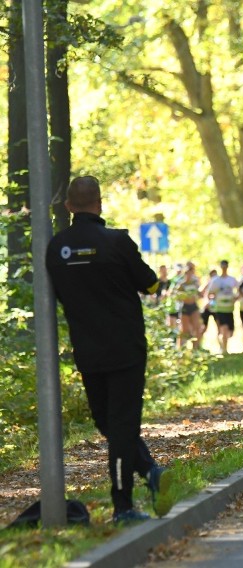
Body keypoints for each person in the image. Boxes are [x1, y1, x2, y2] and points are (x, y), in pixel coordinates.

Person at [45, 176, 174, 523]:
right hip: (126, 348)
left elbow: (55, 294)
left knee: (108, 422)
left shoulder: (56, 247)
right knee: (121, 426)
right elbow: (150, 284)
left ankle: (148, 474)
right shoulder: (117, 242)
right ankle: (125, 505)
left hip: (87, 350)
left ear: (69, 206)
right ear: (100, 204)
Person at [207, 260, 239, 354]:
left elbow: (240, 291)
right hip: (220, 309)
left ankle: (223, 345)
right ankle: (224, 349)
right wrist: (213, 301)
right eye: (222, 266)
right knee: (223, 328)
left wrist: (235, 298)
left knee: (230, 332)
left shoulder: (232, 279)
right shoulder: (216, 280)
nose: (224, 268)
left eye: (225, 266)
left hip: (230, 309)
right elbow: (210, 293)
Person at [170, 261, 203, 349]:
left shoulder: (195, 283)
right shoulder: (181, 284)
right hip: (184, 308)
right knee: (184, 330)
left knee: (197, 328)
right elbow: (175, 295)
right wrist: (182, 296)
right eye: (187, 273)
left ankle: (196, 348)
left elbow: (200, 294)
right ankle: (180, 348)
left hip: (194, 306)